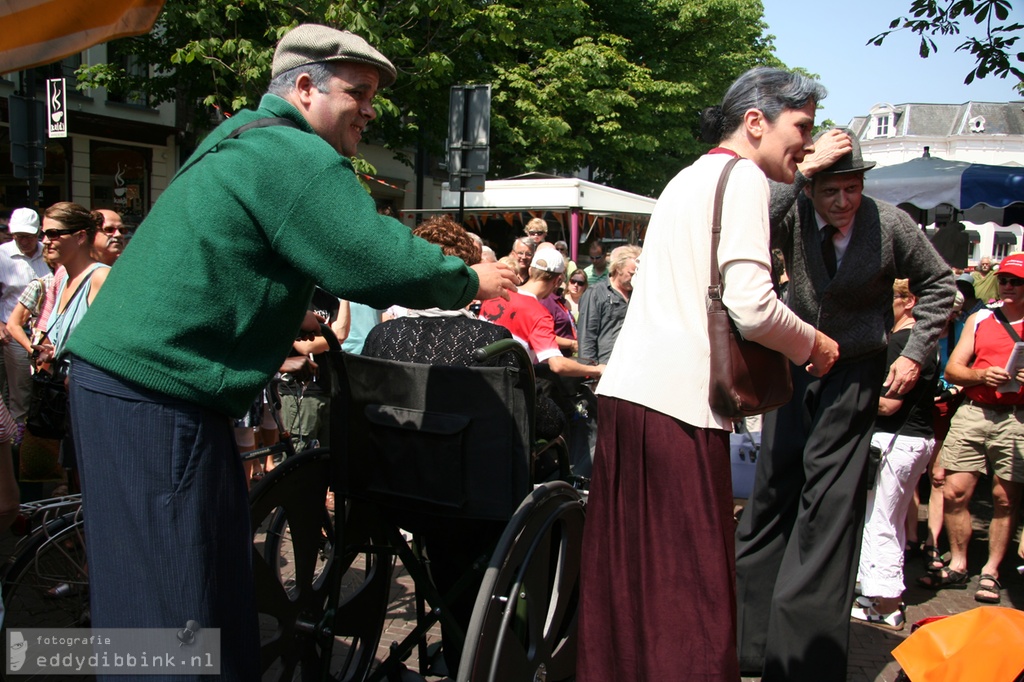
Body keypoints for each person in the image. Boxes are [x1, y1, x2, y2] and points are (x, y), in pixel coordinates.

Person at [63, 24, 516, 681]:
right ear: (304, 88)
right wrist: (470, 278)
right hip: (157, 395)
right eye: (357, 92)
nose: (370, 108)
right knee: (171, 607)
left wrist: (276, 313)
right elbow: (369, 255)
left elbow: (226, 255)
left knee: (187, 592)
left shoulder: (236, 137)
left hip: (130, 385)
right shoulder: (293, 154)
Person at [577, 67, 840, 682]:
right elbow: (750, 304)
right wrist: (813, 345)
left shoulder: (688, 179)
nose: (805, 142)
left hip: (628, 395)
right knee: (685, 585)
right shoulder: (742, 177)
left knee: (631, 579)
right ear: (756, 121)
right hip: (678, 403)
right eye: (799, 127)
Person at [734, 128, 955, 682]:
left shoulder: (891, 223)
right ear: (814, 189)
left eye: (851, 188)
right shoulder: (796, 210)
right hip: (794, 363)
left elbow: (939, 286)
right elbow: (755, 216)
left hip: (854, 372)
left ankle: (802, 660)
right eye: (831, 189)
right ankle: (749, 642)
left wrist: (916, 354)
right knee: (772, 493)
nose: (843, 200)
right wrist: (805, 171)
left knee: (828, 506)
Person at [920, 253, 1024, 605]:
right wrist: (982, 374)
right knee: (954, 491)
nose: (1008, 286)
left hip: (1016, 418)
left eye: (1016, 281)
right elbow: (953, 370)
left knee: (1004, 498)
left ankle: (992, 570)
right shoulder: (981, 318)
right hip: (975, 412)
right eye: (1004, 280)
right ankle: (960, 561)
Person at [851, 279, 938, 631]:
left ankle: (884, 602)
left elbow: (888, 404)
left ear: (909, 301)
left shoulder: (902, 344)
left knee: (879, 521)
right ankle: (879, 591)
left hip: (895, 441)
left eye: (888, 300)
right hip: (915, 441)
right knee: (891, 520)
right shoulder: (923, 343)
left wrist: (851, 399)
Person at [0, 208, 51, 424]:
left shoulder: (49, 252)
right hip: (15, 331)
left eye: (28, 236)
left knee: (44, 386)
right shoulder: (2, 256)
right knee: (20, 390)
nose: (23, 241)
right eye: (18, 236)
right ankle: (18, 438)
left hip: (45, 332)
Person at [577, 244, 639, 364]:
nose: (634, 278)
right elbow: (586, 335)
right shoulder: (595, 293)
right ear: (618, 268)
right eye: (631, 274)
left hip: (631, 364)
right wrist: (590, 371)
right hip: (605, 366)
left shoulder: (637, 294)